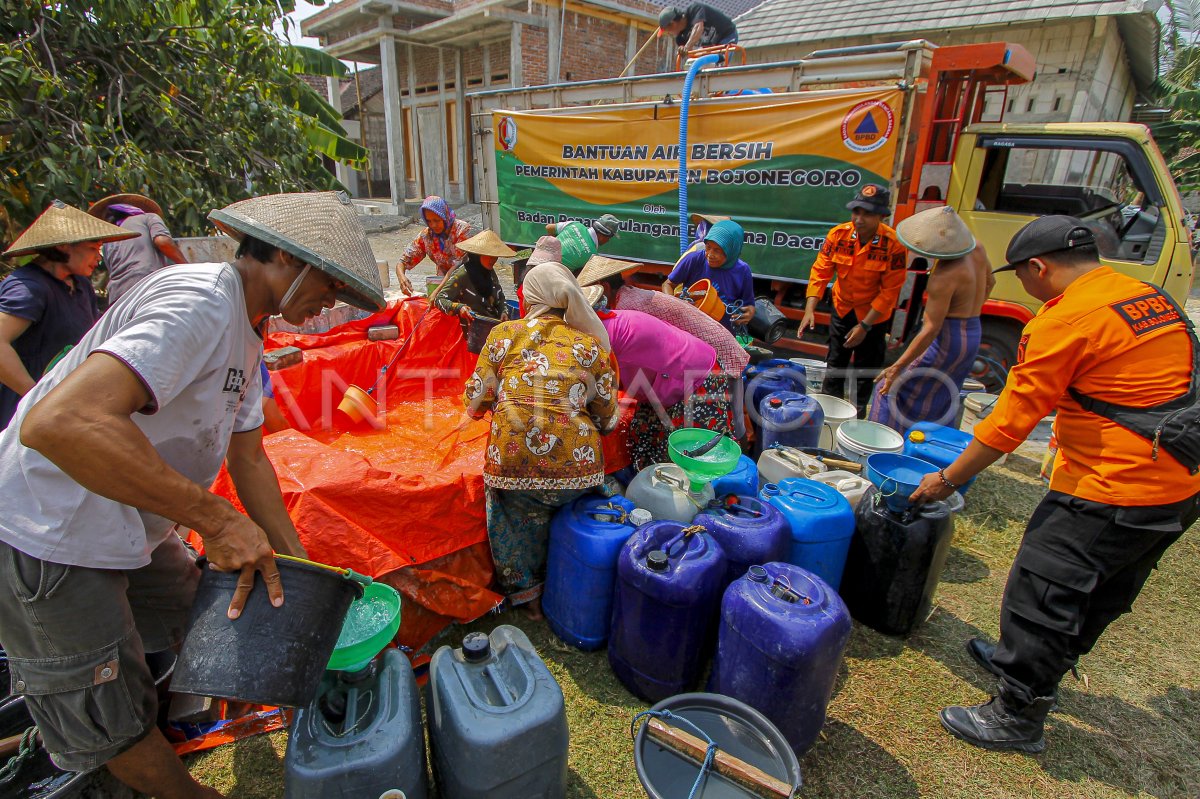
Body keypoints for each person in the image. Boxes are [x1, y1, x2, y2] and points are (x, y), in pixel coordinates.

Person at [0, 191, 385, 798]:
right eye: (329, 286)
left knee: (200, 614)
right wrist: (215, 518)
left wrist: (302, 565)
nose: (330, 304)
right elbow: (59, 423)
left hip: (131, 519)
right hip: (54, 528)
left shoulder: (248, 330)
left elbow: (249, 455)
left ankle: (156, 712)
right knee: (107, 714)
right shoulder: (199, 301)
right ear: (285, 260)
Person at [908, 215, 1200, 754]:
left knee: (1042, 590)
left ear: (1039, 267)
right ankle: (1035, 665)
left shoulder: (1065, 319)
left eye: (1023, 277)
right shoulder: (1144, 297)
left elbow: (1008, 425)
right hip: (1180, 483)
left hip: (1115, 484)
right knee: (1103, 589)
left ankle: (1017, 713)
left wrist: (946, 480)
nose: (1026, 289)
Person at [464, 238, 618, 618]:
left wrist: (492, 405)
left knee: (509, 512)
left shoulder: (503, 334)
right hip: (577, 471)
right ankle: (572, 576)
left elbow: (475, 401)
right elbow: (608, 417)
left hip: (512, 468)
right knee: (569, 497)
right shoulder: (589, 346)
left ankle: (528, 598)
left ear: (530, 297)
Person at [0, 201, 134, 429]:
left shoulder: (80, 285)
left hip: (62, 410)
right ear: (64, 247)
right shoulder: (29, 287)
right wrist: (35, 397)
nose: (98, 257)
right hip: (19, 415)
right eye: (93, 249)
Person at [870, 206, 994, 431]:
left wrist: (896, 367)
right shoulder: (978, 247)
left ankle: (880, 450)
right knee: (942, 395)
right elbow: (990, 283)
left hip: (948, 338)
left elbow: (930, 329)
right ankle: (927, 448)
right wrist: (970, 309)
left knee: (887, 389)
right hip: (973, 331)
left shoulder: (944, 276)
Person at [584, 284, 730, 470]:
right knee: (643, 440)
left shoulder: (602, 336)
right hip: (662, 380)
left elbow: (597, 396)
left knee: (686, 457)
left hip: (696, 375)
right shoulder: (603, 324)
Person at [800, 184, 908, 415]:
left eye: (867, 214)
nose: (859, 219)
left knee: (864, 373)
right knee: (835, 367)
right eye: (856, 212)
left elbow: (890, 291)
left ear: (881, 216)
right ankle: (828, 417)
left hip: (874, 319)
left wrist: (865, 326)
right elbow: (820, 271)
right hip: (842, 310)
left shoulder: (894, 245)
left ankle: (856, 418)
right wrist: (810, 308)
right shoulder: (838, 236)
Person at [578, 254, 749, 376]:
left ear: (605, 287)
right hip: (709, 345)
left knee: (731, 410)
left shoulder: (624, 307)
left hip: (714, 351)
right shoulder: (628, 294)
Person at [88, 193, 186, 305]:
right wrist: (187, 267)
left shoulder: (107, 240)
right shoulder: (148, 217)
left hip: (117, 296)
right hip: (148, 285)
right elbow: (163, 242)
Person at [663, 219, 755, 332]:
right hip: (689, 327)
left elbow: (749, 305)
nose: (710, 255)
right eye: (708, 247)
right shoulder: (694, 259)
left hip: (723, 332)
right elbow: (667, 284)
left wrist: (748, 313)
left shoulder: (743, 271)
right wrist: (674, 304)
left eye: (717, 250)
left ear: (732, 250)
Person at [432, 229, 516, 324]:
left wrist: (503, 311)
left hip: (493, 325)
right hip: (472, 329)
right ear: (477, 255)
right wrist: (459, 307)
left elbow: (500, 297)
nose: (493, 260)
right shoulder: (463, 275)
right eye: (488, 255)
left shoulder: (490, 272)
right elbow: (440, 299)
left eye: (495, 256)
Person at [394, 195, 473, 294]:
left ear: (445, 216)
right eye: (429, 221)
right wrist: (402, 278)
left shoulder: (462, 230)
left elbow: (457, 266)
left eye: (437, 220)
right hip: (441, 284)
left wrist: (436, 293)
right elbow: (403, 261)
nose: (433, 225)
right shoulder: (426, 236)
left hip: (468, 284)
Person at [658, 4, 738, 58]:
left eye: (667, 30)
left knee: (720, 62)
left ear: (672, 23)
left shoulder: (694, 10)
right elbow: (692, 54)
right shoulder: (680, 38)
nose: (668, 33)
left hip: (727, 35)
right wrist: (683, 51)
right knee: (705, 65)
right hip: (711, 47)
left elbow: (698, 28)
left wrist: (687, 47)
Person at [545, 213, 621, 249]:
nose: (608, 241)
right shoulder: (591, 256)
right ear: (603, 236)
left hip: (537, 260)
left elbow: (548, 227)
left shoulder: (575, 224)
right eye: (609, 238)